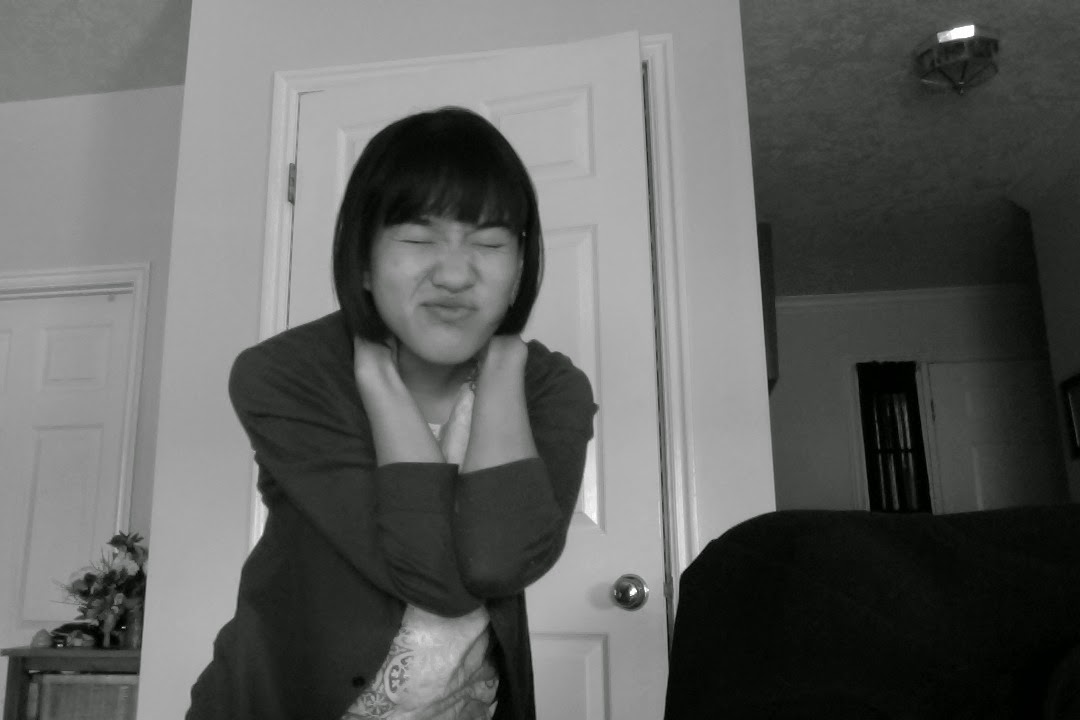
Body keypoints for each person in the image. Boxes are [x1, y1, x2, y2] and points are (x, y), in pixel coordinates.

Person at [187, 107, 597, 720]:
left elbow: (499, 561)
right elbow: (436, 583)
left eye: (490, 243)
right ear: (363, 260)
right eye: (417, 239)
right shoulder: (286, 374)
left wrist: (504, 367)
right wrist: (380, 384)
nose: (455, 274)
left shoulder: (547, 388)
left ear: (519, 269)